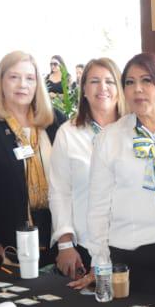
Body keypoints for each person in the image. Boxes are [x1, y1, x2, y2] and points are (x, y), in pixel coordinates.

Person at [86, 52, 155, 295]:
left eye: (147, 80)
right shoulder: (109, 138)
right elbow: (98, 208)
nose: (137, 89)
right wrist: (101, 264)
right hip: (129, 258)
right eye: (130, 82)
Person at [0, 51, 66, 264]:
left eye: (30, 78)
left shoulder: (54, 121)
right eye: (14, 77)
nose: (22, 84)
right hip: (6, 236)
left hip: (54, 230)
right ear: (1, 81)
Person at [49, 57, 126, 279]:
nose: (103, 88)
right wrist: (65, 245)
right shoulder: (68, 133)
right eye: (94, 81)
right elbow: (59, 191)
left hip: (129, 245)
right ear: (83, 89)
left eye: (110, 81)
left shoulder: (133, 130)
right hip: (84, 246)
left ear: (119, 89)